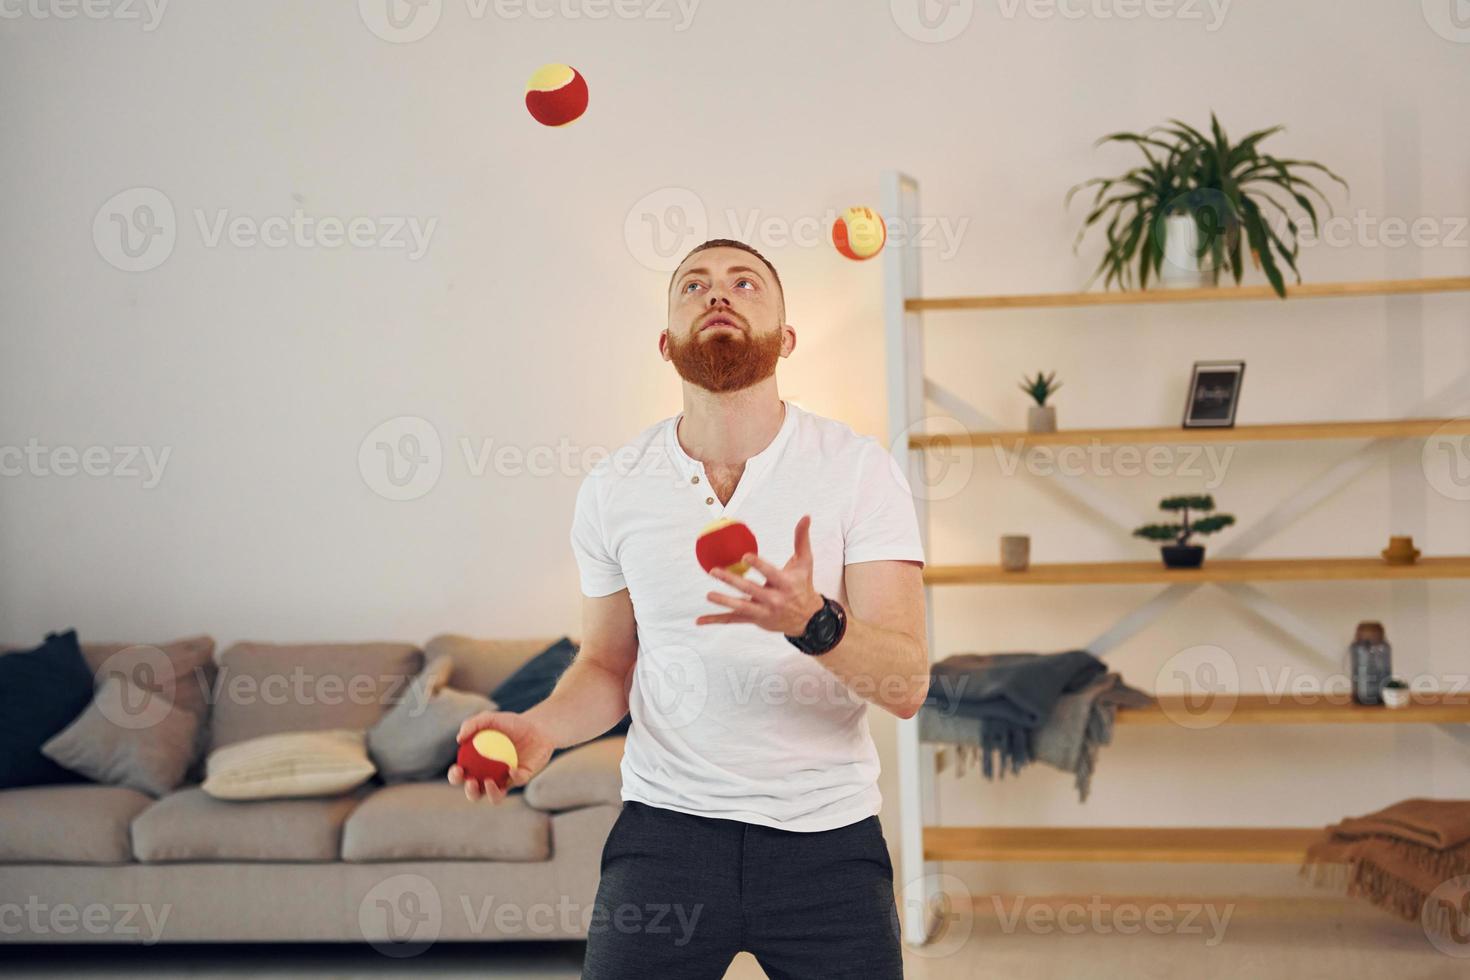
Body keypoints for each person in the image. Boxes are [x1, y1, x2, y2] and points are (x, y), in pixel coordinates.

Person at [448, 238, 928, 978]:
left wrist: (815, 623)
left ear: (787, 337)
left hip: (826, 844)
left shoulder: (858, 470)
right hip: (665, 840)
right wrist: (538, 728)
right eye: (694, 285)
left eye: (745, 282)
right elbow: (607, 665)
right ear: (666, 342)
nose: (719, 294)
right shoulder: (615, 488)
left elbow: (906, 684)